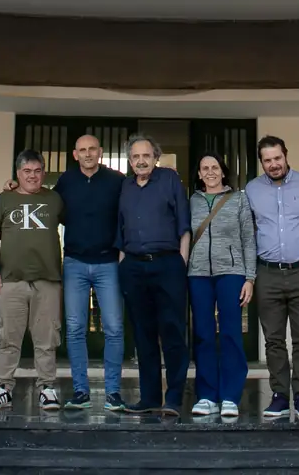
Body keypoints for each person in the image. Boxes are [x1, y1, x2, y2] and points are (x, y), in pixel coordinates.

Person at [245, 136, 299, 420]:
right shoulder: (251, 190)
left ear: (285, 156)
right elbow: (248, 231)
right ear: (261, 162)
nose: (273, 164)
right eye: (267, 160)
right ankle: (279, 395)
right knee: (274, 339)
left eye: (277, 158)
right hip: (268, 273)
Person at [0, 149, 66, 411]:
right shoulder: (4, 200)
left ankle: (47, 387)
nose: (32, 176)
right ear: (18, 173)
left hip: (47, 280)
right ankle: (3, 386)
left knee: (47, 337)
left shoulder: (54, 199)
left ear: (44, 172)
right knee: (8, 337)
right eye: (27, 171)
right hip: (12, 280)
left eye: (37, 171)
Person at [116, 134, 191, 415]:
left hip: (167, 264)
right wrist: (123, 264)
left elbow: (184, 223)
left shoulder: (170, 180)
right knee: (143, 334)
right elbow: (120, 229)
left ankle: (173, 398)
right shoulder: (125, 187)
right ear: (130, 161)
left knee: (172, 331)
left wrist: (181, 261)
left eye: (145, 155)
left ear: (155, 157)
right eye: (135, 156)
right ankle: (148, 399)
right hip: (134, 266)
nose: (140, 161)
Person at [53, 135, 127, 411]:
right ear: (75, 154)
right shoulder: (66, 182)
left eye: (92, 149)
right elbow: (49, 208)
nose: (87, 154)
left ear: (100, 152)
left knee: (114, 328)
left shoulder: (117, 181)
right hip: (74, 263)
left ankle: (113, 393)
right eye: (82, 150)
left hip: (109, 264)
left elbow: (129, 214)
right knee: (74, 329)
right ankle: (81, 391)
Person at [187, 152, 256, 419]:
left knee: (230, 333)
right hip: (198, 275)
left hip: (232, 272)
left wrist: (250, 277)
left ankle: (230, 395)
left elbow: (248, 239)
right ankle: (206, 395)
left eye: (214, 167)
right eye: (205, 168)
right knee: (203, 334)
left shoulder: (238, 199)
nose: (210, 172)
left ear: (223, 171)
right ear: (199, 174)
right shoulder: (191, 201)